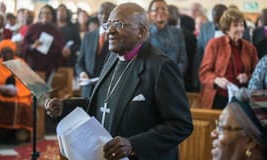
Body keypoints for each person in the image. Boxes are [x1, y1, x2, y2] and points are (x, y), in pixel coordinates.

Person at [45, 2, 193, 160]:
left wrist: (134, 145)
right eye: (108, 24)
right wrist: (65, 106)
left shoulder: (161, 67)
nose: (110, 31)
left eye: (118, 24)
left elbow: (181, 125)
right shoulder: (113, 58)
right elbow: (104, 104)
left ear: (141, 32)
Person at [199, 8, 258, 109]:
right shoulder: (215, 44)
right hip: (217, 97)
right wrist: (216, 80)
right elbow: (204, 73)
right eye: (235, 25)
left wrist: (247, 77)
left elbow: (257, 75)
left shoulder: (250, 48)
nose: (240, 29)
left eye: (241, 25)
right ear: (226, 29)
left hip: (241, 99)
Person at [0, 40, 33, 142]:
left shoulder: (20, 63)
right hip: (1, 96)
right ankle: (0, 134)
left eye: (9, 52)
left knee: (22, 105)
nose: (7, 54)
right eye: (4, 52)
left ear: (14, 52)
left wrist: (17, 92)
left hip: (21, 96)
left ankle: (20, 133)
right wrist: (1, 89)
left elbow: (28, 84)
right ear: (0, 53)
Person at [76, 2, 116, 98]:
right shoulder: (88, 36)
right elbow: (79, 63)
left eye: (108, 13)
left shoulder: (118, 37)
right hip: (88, 89)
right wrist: (82, 73)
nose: (103, 16)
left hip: (108, 89)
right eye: (101, 13)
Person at [21, 5, 65, 79]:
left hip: (49, 66)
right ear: (40, 15)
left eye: (48, 13)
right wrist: (32, 46)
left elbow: (60, 49)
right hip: (33, 64)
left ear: (52, 16)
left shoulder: (56, 31)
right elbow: (24, 45)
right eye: (43, 13)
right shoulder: (33, 27)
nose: (45, 15)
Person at [148, 0, 187, 75]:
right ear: (149, 14)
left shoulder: (177, 32)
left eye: (163, 9)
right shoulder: (145, 34)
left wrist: (173, 74)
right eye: (156, 9)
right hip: (152, 79)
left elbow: (183, 60)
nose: (161, 11)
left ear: (168, 13)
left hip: (175, 77)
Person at [56, 4, 81, 74]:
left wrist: (70, 49)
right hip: (53, 60)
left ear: (67, 14)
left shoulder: (73, 27)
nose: (61, 13)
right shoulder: (52, 27)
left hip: (68, 60)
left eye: (63, 11)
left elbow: (79, 44)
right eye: (59, 11)